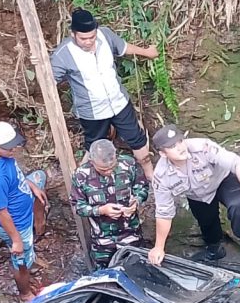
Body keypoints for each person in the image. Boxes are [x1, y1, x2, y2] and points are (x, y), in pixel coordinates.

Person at [51, 9, 159, 181]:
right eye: (83, 38)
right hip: (91, 112)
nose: (88, 42)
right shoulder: (62, 55)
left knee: (137, 139)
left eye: (91, 37)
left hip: (119, 103)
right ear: (73, 34)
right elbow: (49, 82)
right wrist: (40, 66)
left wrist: (148, 52)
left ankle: (150, 175)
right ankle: (82, 182)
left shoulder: (106, 35)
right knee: (93, 147)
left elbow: (124, 48)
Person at [150, 125, 240, 277]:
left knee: (238, 206)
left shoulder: (201, 147)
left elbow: (237, 162)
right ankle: (215, 249)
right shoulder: (162, 176)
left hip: (223, 181)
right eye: (172, 146)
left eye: (180, 141)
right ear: (163, 153)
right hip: (198, 195)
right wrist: (159, 247)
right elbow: (164, 213)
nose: (180, 147)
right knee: (207, 222)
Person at [0, 121, 47, 299]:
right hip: (17, 223)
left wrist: (31, 185)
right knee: (20, 262)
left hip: (21, 201)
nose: (14, 150)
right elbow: (1, 211)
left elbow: (16, 174)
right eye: (9, 148)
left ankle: (30, 251)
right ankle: (25, 294)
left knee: (40, 177)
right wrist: (16, 240)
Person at [70, 139, 150, 267]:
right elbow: (77, 206)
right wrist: (101, 210)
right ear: (92, 162)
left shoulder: (128, 164)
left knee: (138, 269)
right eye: (103, 170)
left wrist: (136, 201)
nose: (109, 172)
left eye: (112, 167)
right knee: (103, 276)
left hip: (131, 234)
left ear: (116, 157)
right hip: (102, 240)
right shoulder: (81, 176)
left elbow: (142, 188)